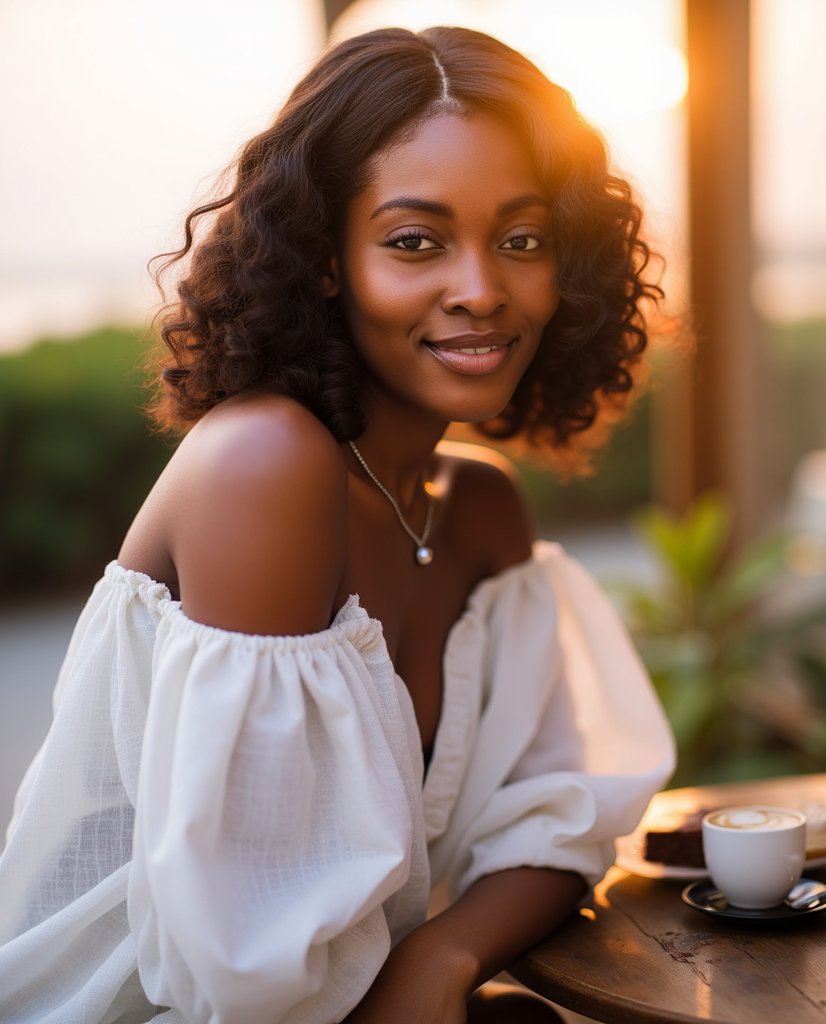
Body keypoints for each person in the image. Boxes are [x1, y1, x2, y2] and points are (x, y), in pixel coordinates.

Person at [0, 25, 674, 1024]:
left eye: (522, 240)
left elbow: (555, 814)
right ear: (324, 260)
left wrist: (445, 953)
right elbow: (244, 976)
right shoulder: (264, 465)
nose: (481, 289)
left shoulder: (478, 508)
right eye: (415, 241)